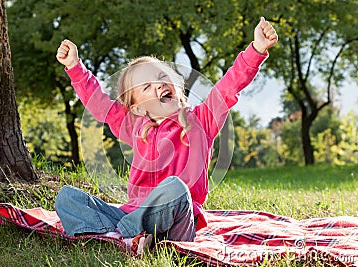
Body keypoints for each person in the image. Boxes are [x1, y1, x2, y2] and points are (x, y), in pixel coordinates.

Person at [54, 17, 278, 256]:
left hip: (176, 223)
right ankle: (125, 236)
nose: (159, 86)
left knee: (175, 187)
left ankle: (121, 235)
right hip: (130, 213)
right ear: (138, 108)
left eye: (162, 79)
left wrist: (255, 50)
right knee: (67, 197)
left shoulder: (201, 120)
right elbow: (99, 103)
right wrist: (75, 66)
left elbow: (228, 87)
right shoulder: (134, 126)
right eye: (147, 87)